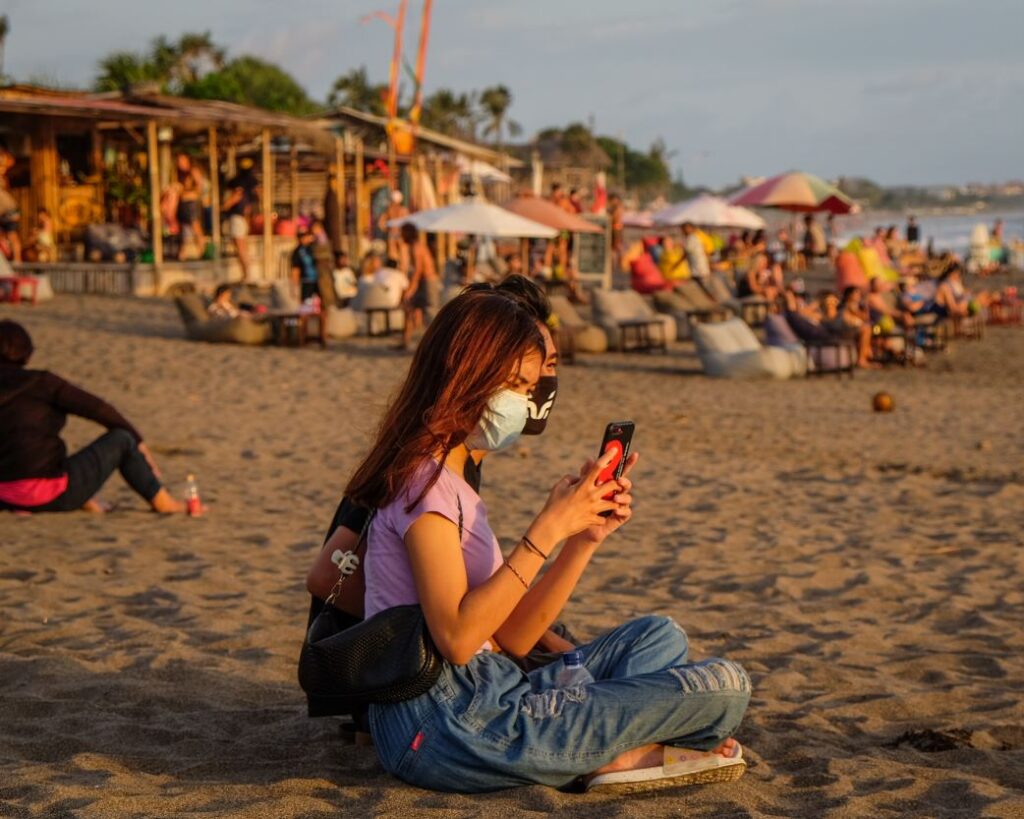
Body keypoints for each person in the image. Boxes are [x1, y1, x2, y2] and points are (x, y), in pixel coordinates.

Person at [339, 288, 749, 793]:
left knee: (658, 637)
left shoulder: (452, 480)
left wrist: (581, 538)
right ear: (466, 373)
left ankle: (599, 750)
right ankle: (612, 757)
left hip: (492, 692)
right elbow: (459, 640)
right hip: (444, 722)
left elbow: (510, 637)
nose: (525, 402)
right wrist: (546, 528)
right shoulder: (423, 488)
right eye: (514, 385)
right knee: (726, 686)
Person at [0, 321, 184, 515]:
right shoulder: (43, 382)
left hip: (3, 497)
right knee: (123, 440)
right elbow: (98, 409)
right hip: (51, 496)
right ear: (26, 353)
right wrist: (138, 441)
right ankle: (165, 503)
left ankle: (32, 502)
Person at [399, 223, 441, 351]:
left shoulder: (416, 247)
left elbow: (418, 270)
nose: (401, 236)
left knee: (430, 313)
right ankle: (405, 341)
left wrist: (411, 288)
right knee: (409, 307)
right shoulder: (413, 246)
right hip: (423, 282)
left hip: (428, 282)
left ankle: (437, 345)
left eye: (402, 233)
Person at [223, 159, 258, 281]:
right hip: (243, 219)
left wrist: (227, 203)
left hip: (237, 219)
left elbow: (229, 203)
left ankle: (246, 274)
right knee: (243, 247)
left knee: (241, 248)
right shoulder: (250, 186)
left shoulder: (238, 188)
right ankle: (247, 274)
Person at [821, 287, 874, 368]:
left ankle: (865, 356)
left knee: (867, 329)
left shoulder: (855, 306)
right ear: (849, 295)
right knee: (866, 329)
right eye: (856, 293)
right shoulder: (847, 306)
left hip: (847, 329)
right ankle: (862, 360)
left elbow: (865, 318)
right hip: (842, 330)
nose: (859, 295)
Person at [290, 227, 320, 302]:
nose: (306, 238)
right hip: (306, 282)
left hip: (318, 281)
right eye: (303, 236)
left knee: (320, 305)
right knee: (307, 304)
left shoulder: (313, 248)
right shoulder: (297, 252)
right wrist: (294, 286)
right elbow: (295, 269)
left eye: (307, 235)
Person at [379, 191, 409, 263]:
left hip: (393, 235)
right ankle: (402, 271)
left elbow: (381, 223)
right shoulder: (404, 211)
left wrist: (387, 230)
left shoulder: (389, 210)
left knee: (394, 257)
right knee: (403, 258)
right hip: (400, 235)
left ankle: (397, 270)